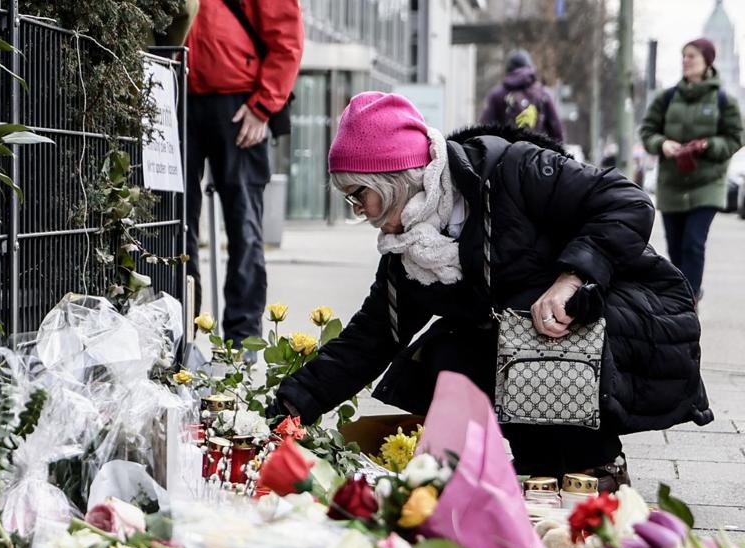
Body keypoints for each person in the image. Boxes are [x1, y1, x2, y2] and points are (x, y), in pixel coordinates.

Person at [268, 92, 712, 489]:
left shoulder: (512, 171)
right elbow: (371, 338)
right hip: (536, 339)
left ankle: (595, 467)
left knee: (522, 330)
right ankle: (534, 474)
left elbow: (628, 201)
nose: (358, 209)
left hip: (627, 311)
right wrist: (290, 406)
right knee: (449, 353)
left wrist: (570, 279)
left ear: (394, 179)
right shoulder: (410, 250)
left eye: (358, 194)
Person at [184, 0, 303, 345]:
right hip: (178, 93)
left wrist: (263, 106)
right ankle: (177, 329)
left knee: (244, 224)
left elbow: (286, 40)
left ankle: (243, 339)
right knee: (173, 225)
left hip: (239, 104)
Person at [640, 37, 743, 303]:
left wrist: (709, 145)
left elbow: (736, 137)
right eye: (683, 56)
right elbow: (648, 132)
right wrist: (663, 145)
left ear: (707, 62)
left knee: (693, 244)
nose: (686, 61)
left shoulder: (723, 100)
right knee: (674, 247)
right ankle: (681, 295)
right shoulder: (667, 97)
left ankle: (688, 299)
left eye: (692, 56)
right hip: (672, 183)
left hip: (707, 184)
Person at [480, 50, 565, 143]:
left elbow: (484, 130)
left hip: (506, 154)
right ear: (530, 68)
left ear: (508, 70)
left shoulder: (497, 95)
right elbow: (557, 133)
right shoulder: (544, 94)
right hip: (537, 154)